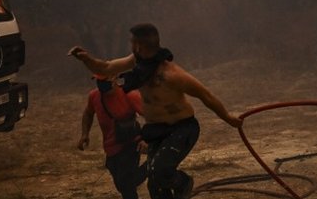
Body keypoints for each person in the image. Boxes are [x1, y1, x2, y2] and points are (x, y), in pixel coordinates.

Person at [69, 23, 242, 199]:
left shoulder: (171, 74)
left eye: (132, 42)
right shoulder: (136, 61)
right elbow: (105, 68)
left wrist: (228, 118)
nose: (131, 46)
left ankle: (183, 182)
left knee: (160, 171)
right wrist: (86, 59)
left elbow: (206, 95)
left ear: (138, 46)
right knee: (155, 185)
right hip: (156, 130)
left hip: (182, 129)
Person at [78, 75, 146, 199]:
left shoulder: (129, 94)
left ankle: (152, 165)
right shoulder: (94, 96)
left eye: (105, 80)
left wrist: (146, 139)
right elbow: (88, 113)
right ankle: (151, 166)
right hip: (111, 147)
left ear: (115, 79)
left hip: (130, 142)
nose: (101, 83)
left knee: (126, 183)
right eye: (99, 80)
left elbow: (151, 115)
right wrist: (84, 134)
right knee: (121, 184)